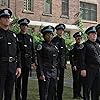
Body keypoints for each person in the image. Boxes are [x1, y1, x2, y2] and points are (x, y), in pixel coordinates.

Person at [0, 8, 21, 100]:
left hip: (12, 67)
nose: (7, 19)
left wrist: (19, 66)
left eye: (8, 17)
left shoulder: (13, 35)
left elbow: (18, 52)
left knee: (9, 93)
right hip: (1, 67)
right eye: (4, 17)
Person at [36, 25, 59, 100]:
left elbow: (57, 60)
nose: (50, 36)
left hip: (53, 71)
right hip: (45, 71)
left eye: (51, 34)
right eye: (47, 34)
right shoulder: (41, 46)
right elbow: (39, 60)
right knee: (44, 91)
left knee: (52, 91)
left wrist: (57, 73)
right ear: (44, 36)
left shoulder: (54, 46)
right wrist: (41, 73)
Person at [15, 18, 35, 100]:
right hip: (19, 63)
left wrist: (33, 62)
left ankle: (24, 98)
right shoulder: (16, 37)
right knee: (18, 83)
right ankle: (17, 98)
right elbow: (16, 51)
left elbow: (33, 51)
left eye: (26, 25)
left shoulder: (30, 38)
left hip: (27, 63)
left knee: (25, 83)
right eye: (23, 25)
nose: (24, 27)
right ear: (20, 26)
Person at [80, 26, 100, 100]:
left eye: (95, 34)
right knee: (87, 88)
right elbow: (82, 58)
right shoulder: (84, 45)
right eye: (92, 34)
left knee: (96, 88)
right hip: (89, 69)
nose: (94, 35)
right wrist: (83, 69)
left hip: (97, 70)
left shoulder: (97, 45)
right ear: (88, 35)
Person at [52, 24, 67, 100]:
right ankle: (55, 97)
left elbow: (64, 53)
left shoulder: (63, 41)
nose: (61, 32)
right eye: (59, 30)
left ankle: (60, 97)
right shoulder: (54, 40)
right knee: (55, 82)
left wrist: (64, 63)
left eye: (62, 30)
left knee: (61, 82)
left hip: (61, 65)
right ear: (57, 31)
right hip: (56, 65)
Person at [69, 32, 83, 99]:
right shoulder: (73, 47)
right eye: (78, 38)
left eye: (80, 38)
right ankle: (75, 94)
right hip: (76, 66)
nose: (79, 39)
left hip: (81, 66)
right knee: (76, 80)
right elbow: (71, 57)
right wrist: (73, 65)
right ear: (75, 39)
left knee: (80, 80)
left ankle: (79, 93)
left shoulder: (82, 46)